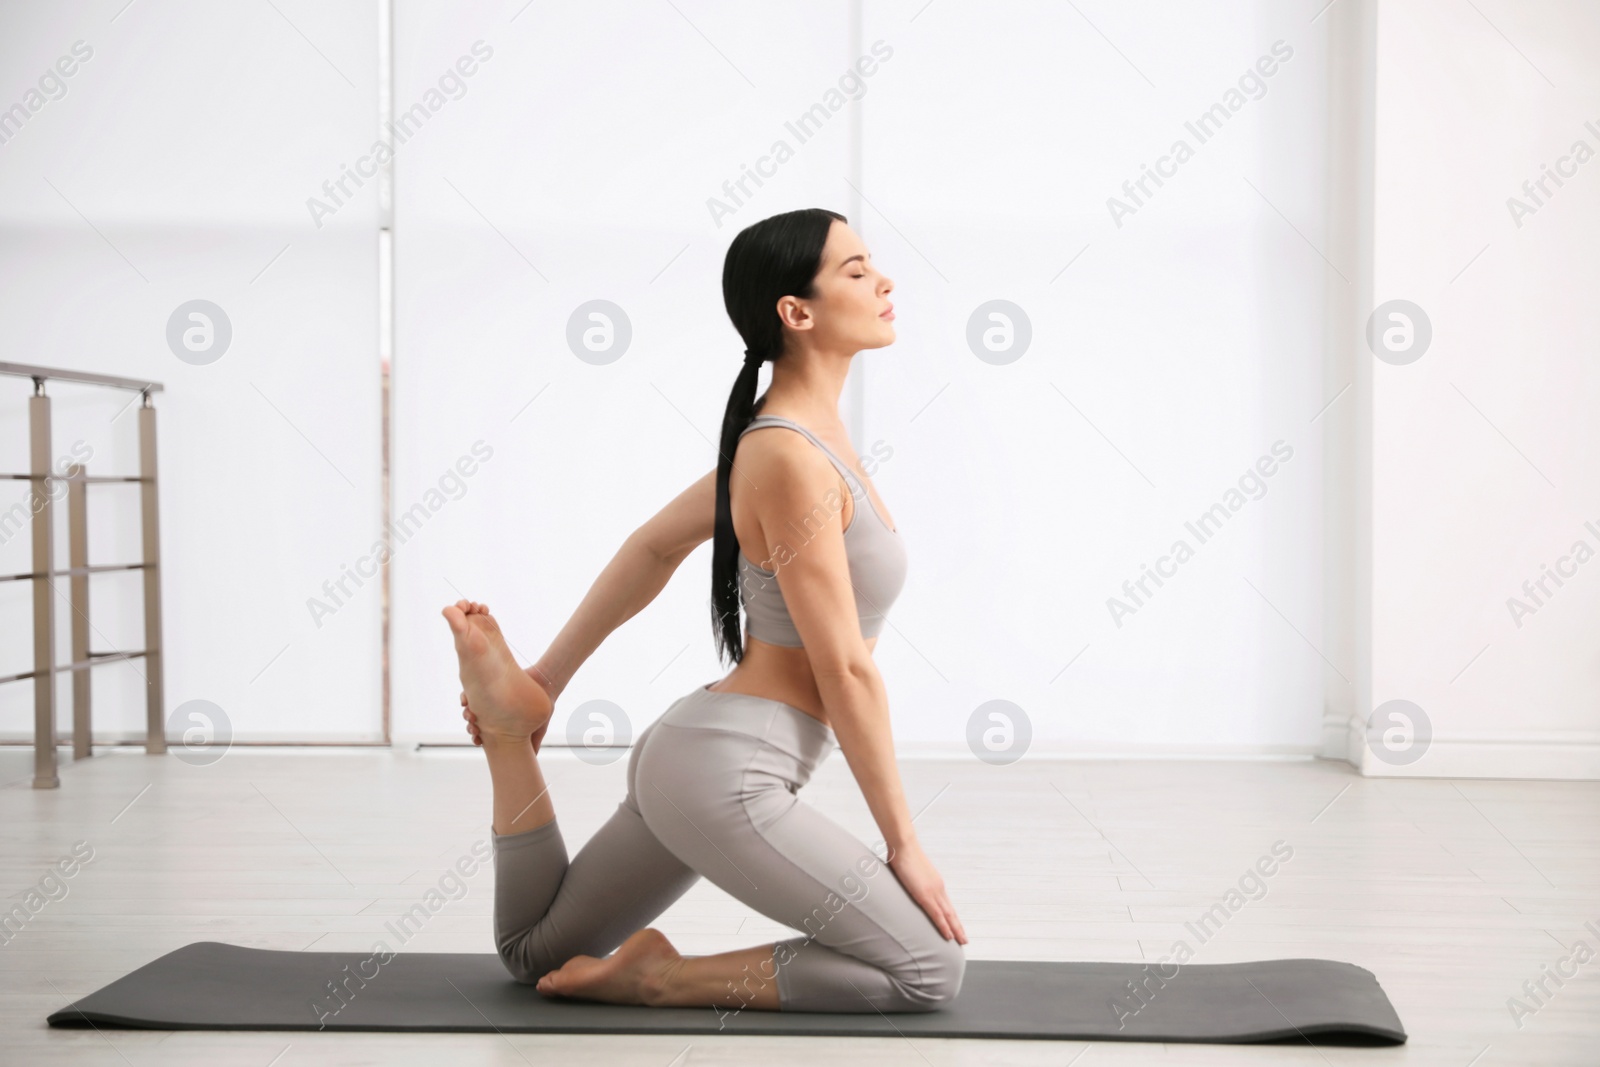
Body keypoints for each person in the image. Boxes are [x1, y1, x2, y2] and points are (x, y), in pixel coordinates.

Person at [443, 207, 966, 1015]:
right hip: (728, 774)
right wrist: (904, 844)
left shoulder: (791, 436)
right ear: (797, 312)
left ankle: (510, 736)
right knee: (928, 970)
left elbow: (653, 548)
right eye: (857, 271)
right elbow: (845, 667)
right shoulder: (789, 453)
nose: (885, 281)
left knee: (533, 954)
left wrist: (545, 678)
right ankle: (663, 978)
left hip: (699, 752)